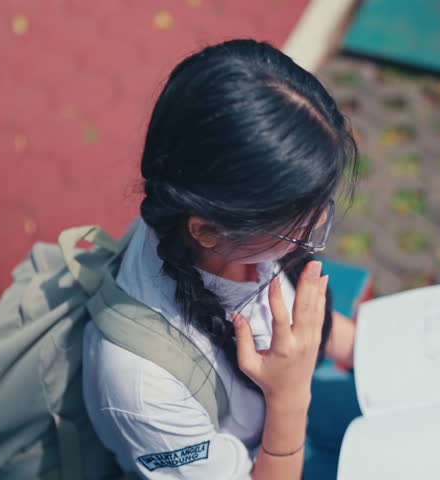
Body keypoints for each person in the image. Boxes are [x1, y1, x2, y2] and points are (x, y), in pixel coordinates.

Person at [81, 39, 360, 479]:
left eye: (320, 205)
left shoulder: (227, 231)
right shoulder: (140, 383)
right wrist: (290, 396)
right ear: (208, 230)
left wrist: (371, 354)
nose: (313, 230)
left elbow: (332, 333)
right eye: (298, 223)